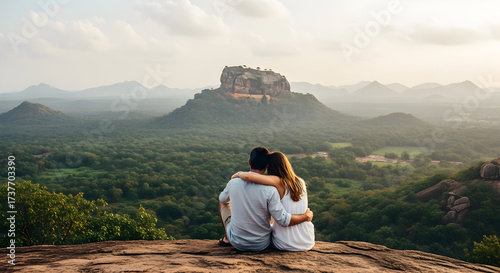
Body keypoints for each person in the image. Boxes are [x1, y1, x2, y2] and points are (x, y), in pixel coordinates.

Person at [218, 147, 313, 251]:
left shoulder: (234, 183)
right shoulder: (291, 184)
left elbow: (223, 198)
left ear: (249, 162)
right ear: (267, 165)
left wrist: (237, 175)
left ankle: (227, 238)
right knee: (271, 208)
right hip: (265, 243)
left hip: (238, 242)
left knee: (223, 202)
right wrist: (306, 216)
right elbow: (281, 218)